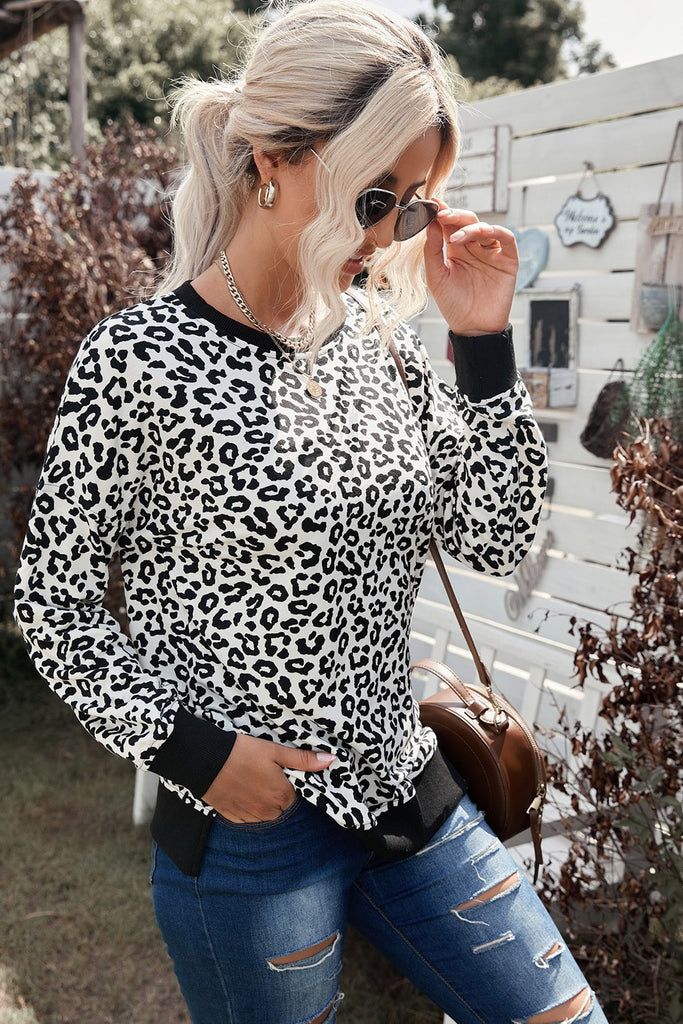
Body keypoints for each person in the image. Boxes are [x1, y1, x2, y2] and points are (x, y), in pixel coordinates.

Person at [14, 1, 609, 1022]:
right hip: (250, 830)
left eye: (411, 208)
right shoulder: (139, 359)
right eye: (375, 198)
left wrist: (481, 342)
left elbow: (496, 536)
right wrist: (197, 756)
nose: (386, 235)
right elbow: (53, 602)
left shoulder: (382, 346)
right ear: (273, 161)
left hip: (408, 792)